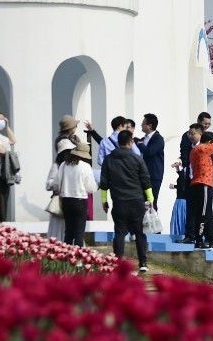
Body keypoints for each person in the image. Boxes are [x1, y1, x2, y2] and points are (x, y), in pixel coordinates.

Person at [99, 129, 153, 272]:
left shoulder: (109, 159)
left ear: (118, 142)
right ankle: (143, 263)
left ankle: (118, 263)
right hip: (137, 201)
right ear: (130, 142)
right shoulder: (137, 158)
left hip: (119, 202)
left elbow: (103, 183)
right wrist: (150, 198)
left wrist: (104, 201)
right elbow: (146, 180)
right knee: (140, 232)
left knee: (120, 233)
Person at [48, 138, 99, 246]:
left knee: (68, 232)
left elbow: (57, 184)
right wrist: (98, 185)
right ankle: (78, 260)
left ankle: (66, 259)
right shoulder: (85, 166)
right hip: (79, 201)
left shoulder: (63, 165)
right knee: (79, 233)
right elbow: (91, 188)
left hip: (66, 201)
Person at [188, 131, 213, 249]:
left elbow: (203, 167)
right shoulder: (202, 149)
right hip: (202, 184)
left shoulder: (196, 150)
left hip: (201, 183)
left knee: (207, 213)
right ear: (209, 142)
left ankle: (210, 239)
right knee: (202, 214)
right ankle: (199, 240)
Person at [177, 123, 203, 244]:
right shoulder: (187, 148)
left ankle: (201, 236)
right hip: (190, 182)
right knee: (190, 210)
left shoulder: (204, 147)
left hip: (202, 183)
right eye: (189, 134)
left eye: (193, 134)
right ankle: (189, 235)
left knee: (202, 211)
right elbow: (186, 164)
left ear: (200, 134)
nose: (191, 136)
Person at [137, 114, 165, 208]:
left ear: (150, 126)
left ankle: (153, 222)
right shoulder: (143, 139)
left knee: (152, 202)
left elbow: (150, 152)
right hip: (142, 175)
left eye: (143, 123)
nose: (141, 125)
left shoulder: (158, 138)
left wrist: (140, 144)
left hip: (153, 176)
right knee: (142, 202)